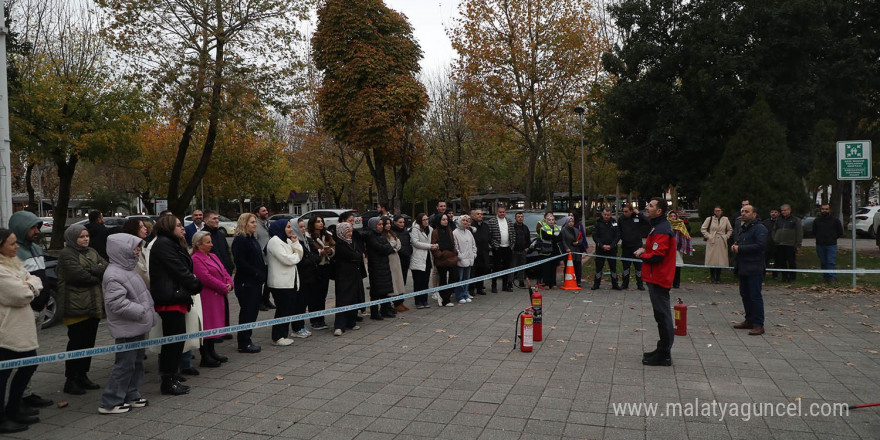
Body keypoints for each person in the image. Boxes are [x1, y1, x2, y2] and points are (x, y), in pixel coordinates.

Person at [99, 233, 154, 414]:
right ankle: (110, 401)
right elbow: (116, 303)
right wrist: (141, 310)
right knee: (124, 365)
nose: (138, 250)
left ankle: (131, 393)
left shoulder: (127, 269)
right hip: (127, 327)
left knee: (136, 362)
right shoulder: (114, 274)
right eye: (135, 247)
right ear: (123, 250)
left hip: (136, 325)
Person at [149, 215, 202, 395]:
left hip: (176, 296)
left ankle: (172, 375)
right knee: (172, 342)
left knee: (177, 341)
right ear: (169, 227)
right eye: (179, 225)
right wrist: (195, 284)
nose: (183, 228)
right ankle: (168, 380)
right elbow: (179, 270)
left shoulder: (172, 243)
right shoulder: (163, 244)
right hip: (170, 298)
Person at [7, 211, 54, 409]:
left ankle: (26, 392)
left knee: (31, 356)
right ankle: (16, 399)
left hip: (40, 309)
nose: (37, 231)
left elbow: (38, 278)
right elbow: (20, 284)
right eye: (33, 228)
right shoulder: (14, 253)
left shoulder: (35, 247)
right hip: (25, 311)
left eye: (38, 227)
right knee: (20, 358)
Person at [0, 228, 44, 432]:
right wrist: (29, 287)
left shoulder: (13, 263)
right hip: (6, 331)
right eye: (11, 243)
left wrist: (29, 284)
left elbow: (35, 279)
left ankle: (14, 407)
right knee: (2, 375)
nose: (16, 246)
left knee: (29, 364)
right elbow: (19, 295)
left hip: (22, 329)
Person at [57, 224, 107, 395]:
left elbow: (106, 266)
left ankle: (83, 375)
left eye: (86, 236)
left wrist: (94, 269)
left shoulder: (92, 251)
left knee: (88, 343)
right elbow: (78, 276)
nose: (85, 239)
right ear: (72, 238)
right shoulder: (66, 254)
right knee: (76, 343)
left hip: (93, 305)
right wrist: (96, 270)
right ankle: (71, 379)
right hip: (76, 307)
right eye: (81, 237)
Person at [634, 198, 677, 366]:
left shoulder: (661, 229)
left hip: (659, 277)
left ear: (659, 211)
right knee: (660, 315)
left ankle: (665, 353)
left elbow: (658, 256)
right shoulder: (658, 226)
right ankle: (662, 349)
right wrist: (646, 249)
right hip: (656, 277)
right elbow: (657, 249)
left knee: (662, 315)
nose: (647, 207)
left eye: (651, 206)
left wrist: (641, 255)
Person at [190, 231, 232, 366]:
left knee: (214, 324)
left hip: (217, 295)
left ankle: (212, 351)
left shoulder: (213, 256)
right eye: (207, 242)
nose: (211, 245)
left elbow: (223, 270)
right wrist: (223, 287)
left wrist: (230, 283)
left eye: (211, 242)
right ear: (198, 244)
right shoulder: (196, 259)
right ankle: (205, 355)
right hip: (206, 297)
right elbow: (205, 278)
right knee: (207, 325)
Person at [266, 219, 305, 345]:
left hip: (290, 282)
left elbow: (299, 253)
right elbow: (287, 259)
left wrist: (296, 245)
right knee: (282, 310)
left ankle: (283, 334)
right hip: (280, 283)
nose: (291, 229)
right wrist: (296, 256)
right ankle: (277, 337)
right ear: (280, 228)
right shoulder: (274, 242)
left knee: (288, 309)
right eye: (288, 227)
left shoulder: (287, 240)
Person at [231, 213, 266, 353]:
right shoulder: (240, 240)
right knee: (247, 312)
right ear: (244, 223)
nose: (255, 224)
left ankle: (247, 338)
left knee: (252, 312)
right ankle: (244, 342)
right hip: (246, 282)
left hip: (255, 282)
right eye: (252, 222)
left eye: (255, 222)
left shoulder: (252, 239)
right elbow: (240, 262)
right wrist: (256, 273)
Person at [732, 205, 769, 335]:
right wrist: (736, 246)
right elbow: (742, 243)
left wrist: (740, 249)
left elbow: (760, 245)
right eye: (742, 211)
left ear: (754, 214)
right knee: (745, 295)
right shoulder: (744, 229)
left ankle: (759, 324)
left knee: (755, 296)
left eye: (747, 211)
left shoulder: (760, 228)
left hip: (754, 267)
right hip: (743, 267)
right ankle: (749, 320)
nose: (744, 213)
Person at [203, 210, 234, 341]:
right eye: (213, 218)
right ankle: (214, 333)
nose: (216, 220)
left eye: (217, 218)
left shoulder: (220, 235)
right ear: (205, 220)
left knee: (224, 305)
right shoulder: (205, 235)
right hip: (213, 275)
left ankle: (224, 328)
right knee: (214, 308)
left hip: (224, 273)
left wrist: (230, 266)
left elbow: (226, 251)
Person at [331, 223, 364, 336]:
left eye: (351, 231)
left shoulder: (352, 241)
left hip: (354, 274)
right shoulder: (340, 244)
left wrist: (356, 256)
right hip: (343, 276)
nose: (350, 233)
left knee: (353, 298)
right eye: (347, 231)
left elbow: (359, 254)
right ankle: (339, 325)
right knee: (343, 299)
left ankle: (351, 322)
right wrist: (356, 256)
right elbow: (352, 255)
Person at [305, 216, 335, 330]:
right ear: (312, 224)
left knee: (323, 294)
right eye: (318, 222)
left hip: (325, 267)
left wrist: (330, 251)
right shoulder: (308, 236)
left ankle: (321, 319)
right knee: (314, 295)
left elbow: (333, 246)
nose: (321, 223)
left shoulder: (327, 234)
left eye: (321, 221)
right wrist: (319, 252)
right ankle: (314, 320)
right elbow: (308, 251)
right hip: (314, 268)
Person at [364, 217, 396, 319]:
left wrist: (387, 248)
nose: (381, 226)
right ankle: (374, 312)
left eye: (382, 224)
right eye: (379, 224)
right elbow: (380, 247)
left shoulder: (381, 235)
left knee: (385, 290)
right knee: (375, 290)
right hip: (376, 266)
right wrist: (386, 248)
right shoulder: (371, 236)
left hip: (384, 265)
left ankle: (385, 309)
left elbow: (389, 247)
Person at [430, 214, 459, 307]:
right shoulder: (435, 232)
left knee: (455, 277)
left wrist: (454, 253)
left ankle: (447, 294)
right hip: (441, 260)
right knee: (443, 279)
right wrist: (440, 255)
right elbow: (433, 246)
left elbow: (453, 243)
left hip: (451, 258)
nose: (445, 221)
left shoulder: (449, 230)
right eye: (443, 219)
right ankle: (445, 299)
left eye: (446, 219)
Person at [617, 206, 647, 290]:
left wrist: (639, 213)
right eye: (623, 211)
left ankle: (640, 284)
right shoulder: (621, 219)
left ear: (631, 211)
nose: (624, 213)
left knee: (638, 267)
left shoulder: (637, 217)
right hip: (626, 246)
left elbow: (647, 222)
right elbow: (618, 231)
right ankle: (625, 283)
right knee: (626, 267)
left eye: (626, 211)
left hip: (637, 246)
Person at [487, 205, 515, 292]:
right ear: (497, 212)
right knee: (496, 267)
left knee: (506, 267)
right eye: (500, 212)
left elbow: (513, 234)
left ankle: (505, 286)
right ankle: (494, 286)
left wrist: (512, 245)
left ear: (505, 213)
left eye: (503, 212)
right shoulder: (492, 221)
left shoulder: (509, 221)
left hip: (508, 247)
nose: (502, 213)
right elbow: (489, 235)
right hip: (497, 248)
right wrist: (493, 246)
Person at [700, 206, 732, 283]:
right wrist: (709, 236)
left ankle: (718, 277)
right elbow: (703, 229)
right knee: (712, 259)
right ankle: (712, 277)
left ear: (721, 211)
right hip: (712, 241)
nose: (717, 212)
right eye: (716, 211)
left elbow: (730, 229)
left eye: (719, 210)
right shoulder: (709, 219)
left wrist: (726, 236)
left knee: (720, 260)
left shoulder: (725, 219)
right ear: (714, 212)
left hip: (721, 241)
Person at [813, 203, 844, 283]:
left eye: (826, 209)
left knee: (830, 261)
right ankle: (826, 277)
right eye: (823, 209)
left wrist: (833, 238)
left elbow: (840, 232)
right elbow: (814, 231)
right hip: (820, 244)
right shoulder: (817, 220)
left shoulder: (835, 220)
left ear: (829, 210)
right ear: (820, 210)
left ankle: (832, 277)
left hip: (831, 244)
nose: (824, 211)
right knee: (823, 262)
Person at [591, 208, 621, 290]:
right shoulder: (597, 222)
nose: (606, 216)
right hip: (600, 249)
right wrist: (601, 245)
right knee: (599, 268)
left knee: (613, 268)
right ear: (602, 214)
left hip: (612, 249)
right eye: (605, 214)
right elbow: (595, 236)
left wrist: (612, 245)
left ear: (611, 215)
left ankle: (615, 284)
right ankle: (596, 284)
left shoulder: (614, 222)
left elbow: (617, 235)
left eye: (608, 215)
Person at [409, 213, 434, 308]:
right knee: (418, 281)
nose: (426, 221)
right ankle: (418, 301)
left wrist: (433, 245)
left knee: (425, 281)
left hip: (427, 258)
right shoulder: (414, 229)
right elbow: (416, 243)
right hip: (418, 258)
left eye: (427, 219)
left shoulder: (430, 229)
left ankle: (425, 300)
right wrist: (430, 246)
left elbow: (431, 241)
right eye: (424, 220)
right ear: (420, 221)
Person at [773, 204, 802, 283]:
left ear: (789, 210)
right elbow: (774, 230)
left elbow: (799, 232)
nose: (783, 212)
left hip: (790, 244)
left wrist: (798, 244)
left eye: (785, 210)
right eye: (782, 210)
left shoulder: (796, 220)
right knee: (782, 261)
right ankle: (784, 277)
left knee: (791, 261)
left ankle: (792, 278)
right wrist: (775, 239)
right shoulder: (778, 220)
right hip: (780, 244)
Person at [254, 206, 275, 311]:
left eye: (267, 210)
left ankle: (266, 300)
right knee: (260, 282)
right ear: (257, 214)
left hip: (269, 258)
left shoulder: (267, 223)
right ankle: (258, 302)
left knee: (269, 281)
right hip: (261, 259)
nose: (266, 212)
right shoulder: (256, 226)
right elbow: (254, 242)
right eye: (263, 211)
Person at [384, 218, 407, 311]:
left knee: (399, 280)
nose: (388, 225)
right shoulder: (383, 235)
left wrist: (395, 247)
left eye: (389, 223)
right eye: (387, 224)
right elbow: (389, 245)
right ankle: (393, 303)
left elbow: (398, 243)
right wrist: (393, 245)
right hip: (389, 259)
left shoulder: (392, 233)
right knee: (393, 281)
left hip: (396, 258)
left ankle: (400, 302)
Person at [453, 215, 477, 304]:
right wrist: (460, 256)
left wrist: (473, 254)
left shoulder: (468, 232)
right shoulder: (455, 232)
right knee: (460, 278)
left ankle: (465, 294)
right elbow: (455, 247)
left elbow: (473, 245)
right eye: (463, 220)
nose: (465, 222)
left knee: (467, 278)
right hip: (461, 260)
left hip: (469, 259)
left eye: (467, 220)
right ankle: (459, 295)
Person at [391, 215, 412, 311]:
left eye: (403, 222)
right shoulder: (392, 232)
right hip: (397, 259)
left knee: (403, 281)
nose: (402, 224)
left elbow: (408, 243)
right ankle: (396, 303)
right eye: (400, 222)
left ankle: (401, 301)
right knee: (396, 281)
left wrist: (409, 252)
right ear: (394, 222)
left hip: (405, 259)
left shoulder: (405, 232)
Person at [536, 212, 562, 288]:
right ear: (546, 221)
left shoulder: (558, 228)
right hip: (545, 251)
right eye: (549, 220)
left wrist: (552, 238)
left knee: (554, 268)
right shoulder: (543, 228)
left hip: (555, 250)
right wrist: (553, 238)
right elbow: (545, 236)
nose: (551, 221)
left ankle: (553, 283)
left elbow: (560, 238)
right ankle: (546, 284)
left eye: (552, 220)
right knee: (546, 268)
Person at [668, 210, 694, 288]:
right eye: (671, 216)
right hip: (669, 248)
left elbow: (686, 234)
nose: (673, 217)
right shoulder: (667, 224)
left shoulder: (681, 224)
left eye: (674, 216)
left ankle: (676, 283)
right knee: (669, 266)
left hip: (678, 248)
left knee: (677, 266)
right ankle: (669, 282)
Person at [511, 212, 531, 288]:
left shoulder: (525, 227)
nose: (520, 218)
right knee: (512, 267)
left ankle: (521, 282)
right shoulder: (512, 227)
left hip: (523, 251)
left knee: (522, 267)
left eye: (521, 216)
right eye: (518, 216)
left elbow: (528, 239)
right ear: (515, 218)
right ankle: (510, 282)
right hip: (514, 251)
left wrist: (527, 247)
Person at [762, 208, 779, 279]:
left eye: (775, 212)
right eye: (772, 212)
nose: (773, 213)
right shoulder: (765, 222)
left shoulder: (780, 222)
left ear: (778, 213)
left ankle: (775, 276)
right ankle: (762, 275)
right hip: (767, 244)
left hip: (777, 245)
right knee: (764, 261)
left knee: (777, 261)